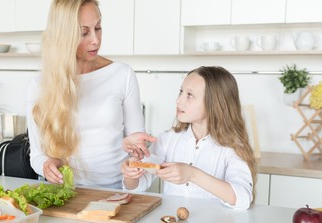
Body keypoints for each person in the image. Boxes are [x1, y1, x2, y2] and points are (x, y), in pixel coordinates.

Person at [26, 0, 155, 188]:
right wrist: (46, 165)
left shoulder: (121, 73)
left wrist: (138, 153)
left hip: (116, 192)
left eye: (98, 27)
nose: (95, 40)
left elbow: (136, 143)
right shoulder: (39, 86)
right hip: (67, 195)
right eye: (83, 32)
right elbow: (36, 155)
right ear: (63, 36)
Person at [121, 66, 257, 210]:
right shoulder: (168, 139)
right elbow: (137, 186)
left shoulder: (233, 146)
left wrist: (192, 174)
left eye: (189, 95)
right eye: (181, 92)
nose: (179, 100)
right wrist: (132, 172)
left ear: (215, 103)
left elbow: (243, 198)